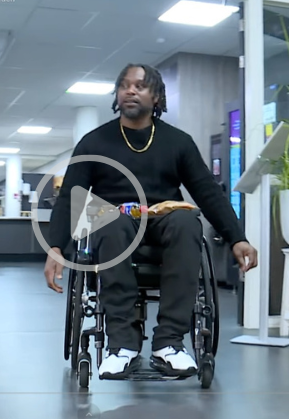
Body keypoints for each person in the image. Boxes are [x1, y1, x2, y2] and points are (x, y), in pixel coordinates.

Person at [44, 64, 258, 380]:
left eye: (140, 86)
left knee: (187, 221)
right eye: (124, 85)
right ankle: (122, 345)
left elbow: (207, 192)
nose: (130, 90)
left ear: (156, 96)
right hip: (114, 224)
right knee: (110, 221)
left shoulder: (177, 142)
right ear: (117, 94)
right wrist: (56, 247)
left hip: (163, 221)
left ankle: (169, 343)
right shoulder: (94, 143)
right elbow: (69, 198)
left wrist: (236, 237)